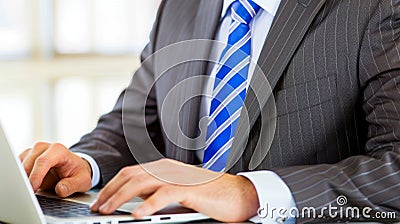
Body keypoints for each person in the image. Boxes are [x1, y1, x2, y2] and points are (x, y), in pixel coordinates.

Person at [19, 0, 400, 223]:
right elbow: (138, 123)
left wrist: (249, 193)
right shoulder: (180, 6)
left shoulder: (375, 9)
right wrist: (87, 164)